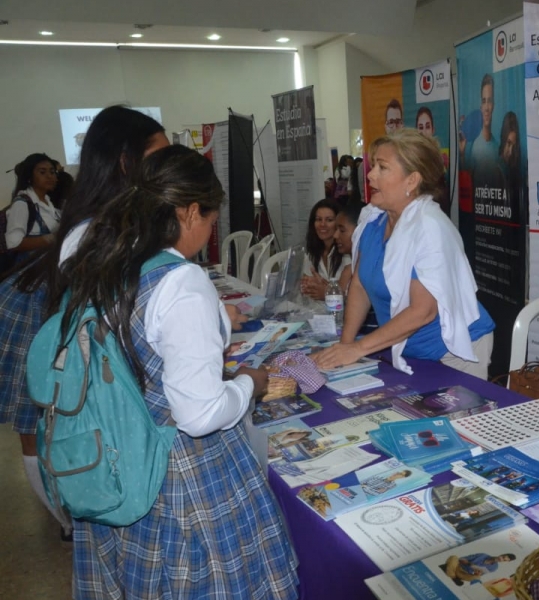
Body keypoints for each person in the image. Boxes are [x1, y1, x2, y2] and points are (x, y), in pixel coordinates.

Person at [58, 144, 298, 598]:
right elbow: (199, 414)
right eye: (210, 220)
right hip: (178, 475)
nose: (210, 231)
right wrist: (250, 382)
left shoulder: (103, 255)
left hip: (116, 457)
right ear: (189, 212)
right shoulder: (182, 281)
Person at [0, 106, 168, 541]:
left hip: (81, 344)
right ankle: (68, 522)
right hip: (58, 337)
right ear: (127, 162)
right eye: (158, 158)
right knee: (49, 427)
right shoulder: (98, 229)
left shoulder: (110, 219)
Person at [311, 129, 495, 379]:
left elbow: (423, 311)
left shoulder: (430, 229)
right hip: (410, 350)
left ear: (412, 181)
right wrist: (345, 346)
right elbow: (360, 286)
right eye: (373, 165)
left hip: (454, 354)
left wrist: (357, 349)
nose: (371, 175)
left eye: (382, 168)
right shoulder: (373, 221)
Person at [5, 153, 61, 256]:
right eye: (42, 172)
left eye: (52, 172)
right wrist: (51, 238)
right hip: (33, 269)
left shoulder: (49, 203)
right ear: (29, 176)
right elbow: (13, 243)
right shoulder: (22, 204)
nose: (49, 176)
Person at [459, 73, 502, 189]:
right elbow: (466, 183)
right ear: (481, 106)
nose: (487, 107)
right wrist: (462, 155)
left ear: (493, 105)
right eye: (484, 101)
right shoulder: (474, 147)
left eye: (489, 101)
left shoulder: (497, 147)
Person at [300, 199, 349, 301]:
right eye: (318, 219)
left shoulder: (347, 252)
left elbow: (349, 295)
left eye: (329, 220)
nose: (322, 224)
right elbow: (307, 286)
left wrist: (326, 291)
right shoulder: (311, 252)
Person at [333, 200, 363, 295]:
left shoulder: (370, 272)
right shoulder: (347, 272)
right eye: (336, 229)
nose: (335, 235)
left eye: (342, 230)